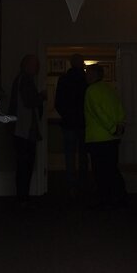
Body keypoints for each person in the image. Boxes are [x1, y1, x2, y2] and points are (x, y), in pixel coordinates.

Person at [84, 63, 127, 207]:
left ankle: (105, 199)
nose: (86, 76)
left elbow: (98, 113)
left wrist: (112, 127)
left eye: (88, 73)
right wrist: (120, 125)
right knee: (112, 169)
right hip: (112, 139)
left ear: (94, 75)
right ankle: (119, 197)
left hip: (98, 138)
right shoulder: (109, 89)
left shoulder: (91, 91)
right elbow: (119, 107)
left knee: (100, 171)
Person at [8, 53, 45, 207]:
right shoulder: (25, 80)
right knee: (25, 163)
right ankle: (22, 197)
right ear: (26, 66)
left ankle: (23, 196)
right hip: (23, 129)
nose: (35, 68)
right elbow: (29, 102)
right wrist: (41, 97)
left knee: (25, 163)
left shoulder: (22, 80)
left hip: (23, 129)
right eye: (33, 64)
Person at [54, 53, 88, 195]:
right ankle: (83, 183)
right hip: (83, 123)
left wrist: (66, 115)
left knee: (70, 155)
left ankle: (71, 184)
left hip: (68, 122)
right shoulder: (86, 80)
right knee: (83, 154)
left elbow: (58, 103)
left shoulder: (64, 79)